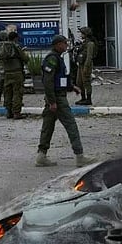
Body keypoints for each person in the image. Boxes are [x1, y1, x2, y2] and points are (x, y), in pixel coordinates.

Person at [36, 34, 96, 167]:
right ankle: (80, 156)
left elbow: (60, 78)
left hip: (55, 97)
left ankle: (41, 155)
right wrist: (52, 102)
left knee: (47, 127)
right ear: (58, 45)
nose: (66, 45)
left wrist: (71, 87)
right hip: (57, 98)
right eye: (64, 43)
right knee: (71, 125)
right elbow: (48, 81)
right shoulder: (52, 59)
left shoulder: (58, 58)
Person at [0, 31, 28, 119]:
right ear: (15, 38)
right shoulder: (15, 46)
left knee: (8, 92)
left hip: (7, 73)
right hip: (17, 72)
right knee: (17, 92)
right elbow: (25, 58)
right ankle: (16, 113)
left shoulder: (2, 47)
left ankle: (9, 112)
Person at [74, 26, 97, 106]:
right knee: (79, 82)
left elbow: (89, 56)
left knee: (86, 82)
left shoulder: (90, 43)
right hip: (81, 64)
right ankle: (83, 98)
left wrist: (86, 67)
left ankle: (88, 99)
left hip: (86, 65)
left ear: (86, 34)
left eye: (82, 33)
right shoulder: (84, 43)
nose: (81, 35)